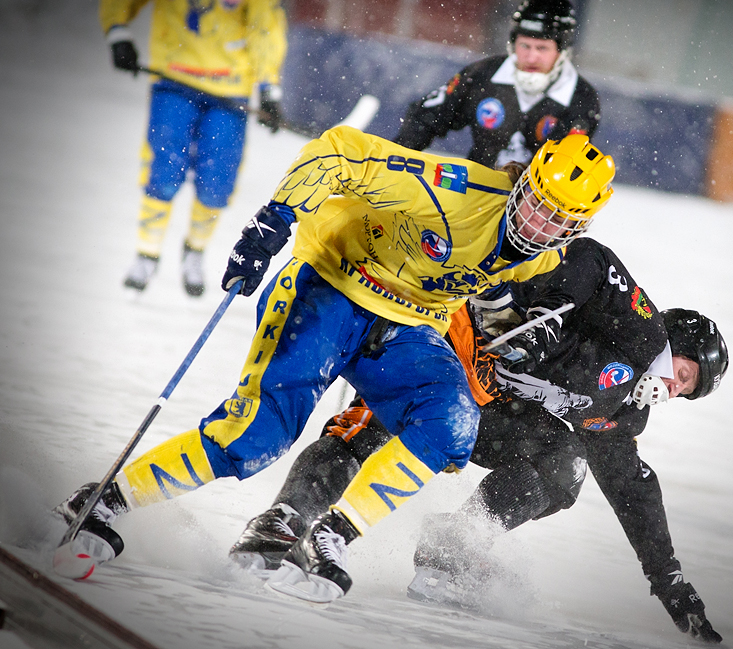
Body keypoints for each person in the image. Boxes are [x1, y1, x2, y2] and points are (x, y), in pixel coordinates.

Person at [54, 129, 617, 605]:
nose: (536, 223)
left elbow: (479, 300)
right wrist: (275, 216)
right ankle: (106, 497)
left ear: (575, 228)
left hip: (404, 323)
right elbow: (340, 149)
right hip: (328, 286)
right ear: (522, 182)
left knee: (452, 421)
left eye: (556, 219)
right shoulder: (456, 190)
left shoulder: (541, 261)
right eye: (535, 202)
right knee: (259, 433)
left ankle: (331, 534)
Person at [228, 235, 728, 642]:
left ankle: (455, 543)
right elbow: (594, 258)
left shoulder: (625, 413)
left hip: (489, 408)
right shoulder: (641, 330)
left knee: (566, 465)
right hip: (453, 342)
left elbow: (632, 488)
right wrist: (550, 317)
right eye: (684, 376)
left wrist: (668, 580)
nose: (674, 391)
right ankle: (286, 519)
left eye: (686, 393)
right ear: (674, 345)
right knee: (369, 427)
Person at [100, 0, 287, 296]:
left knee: (217, 180)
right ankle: (147, 252)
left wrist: (268, 86)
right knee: (163, 170)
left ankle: (195, 249)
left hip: (230, 89)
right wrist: (117, 30)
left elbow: (265, 25)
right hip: (175, 78)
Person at [395, 0, 600, 169]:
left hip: (534, 208)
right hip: (473, 192)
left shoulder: (582, 99)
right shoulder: (482, 75)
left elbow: (565, 168)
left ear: (562, 51)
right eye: (525, 45)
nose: (531, 56)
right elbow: (424, 116)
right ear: (513, 44)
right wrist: (398, 160)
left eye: (542, 48)